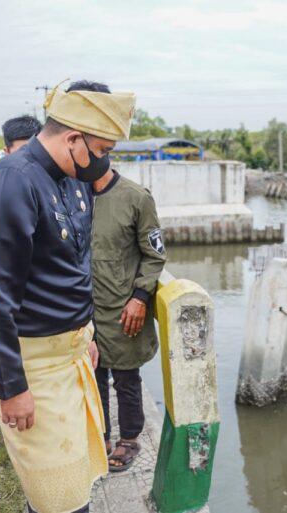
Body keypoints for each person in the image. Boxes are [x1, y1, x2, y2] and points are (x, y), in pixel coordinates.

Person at [0, 79, 135, 513]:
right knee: (56, 491)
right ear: (73, 137)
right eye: (101, 150)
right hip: (32, 359)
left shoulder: (72, 178)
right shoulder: (11, 183)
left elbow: (74, 266)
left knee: (75, 472)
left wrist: (88, 333)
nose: (104, 162)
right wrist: (12, 388)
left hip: (72, 350)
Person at [91, 165, 166, 472]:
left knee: (126, 378)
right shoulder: (70, 194)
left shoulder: (136, 198)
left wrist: (140, 297)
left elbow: (155, 254)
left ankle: (130, 438)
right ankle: (101, 435)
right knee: (92, 376)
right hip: (83, 308)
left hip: (122, 306)